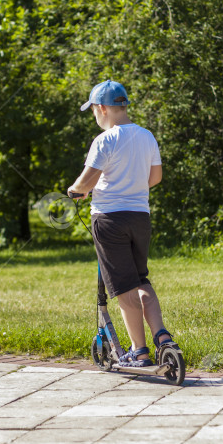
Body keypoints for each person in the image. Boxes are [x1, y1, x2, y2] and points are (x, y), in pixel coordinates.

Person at [67, 79, 176, 367]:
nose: (95, 116)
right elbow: (155, 178)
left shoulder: (105, 140)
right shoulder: (147, 136)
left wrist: (75, 190)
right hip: (140, 217)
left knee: (124, 289)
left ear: (102, 108)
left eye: (93, 111)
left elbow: (87, 180)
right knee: (141, 280)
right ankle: (163, 338)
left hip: (109, 219)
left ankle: (139, 352)